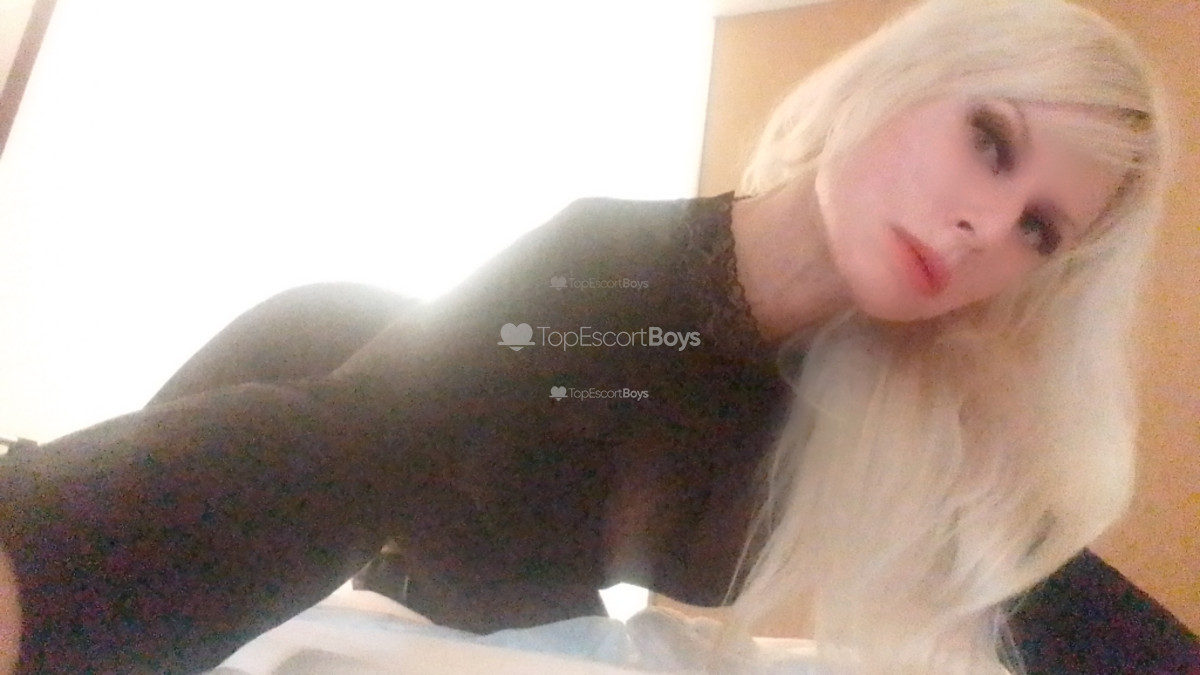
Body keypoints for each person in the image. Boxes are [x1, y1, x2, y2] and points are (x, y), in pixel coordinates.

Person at [0, 0, 1195, 673]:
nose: (985, 221)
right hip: (306, 396)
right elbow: (344, 447)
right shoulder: (605, 274)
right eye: (989, 138)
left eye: (1039, 228)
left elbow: (1059, 606)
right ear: (902, 77)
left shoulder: (893, 415)